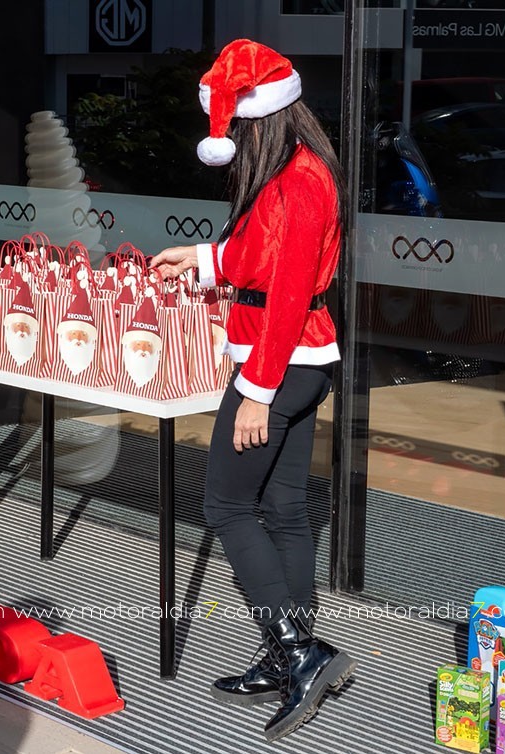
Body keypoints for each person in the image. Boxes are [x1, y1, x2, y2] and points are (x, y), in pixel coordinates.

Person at [150, 39, 355, 742]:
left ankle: (299, 654)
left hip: (280, 362)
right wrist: (205, 259)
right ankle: (289, 655)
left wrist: (259, 390)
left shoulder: (297, 184)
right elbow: (259, 257)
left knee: (228, 507)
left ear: (260, 118)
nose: (230, 140)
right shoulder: (297, 174)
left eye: (235, 126)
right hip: (297, 358)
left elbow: (291, 289)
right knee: (284, 507)